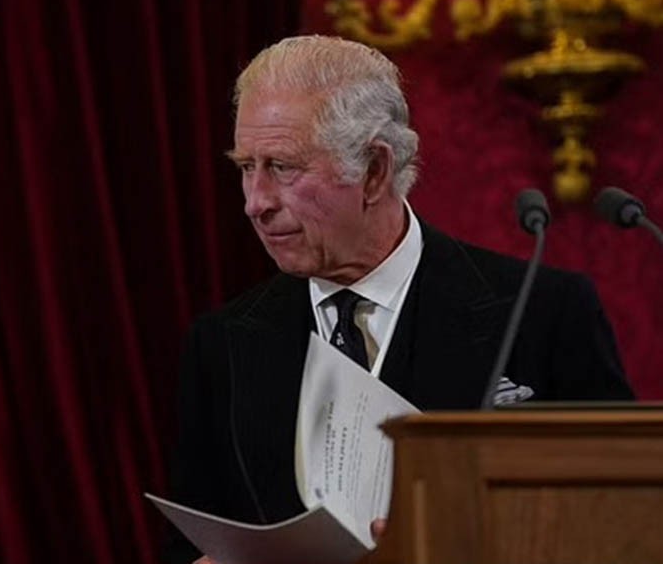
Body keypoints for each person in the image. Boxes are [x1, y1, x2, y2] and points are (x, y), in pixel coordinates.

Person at [163, 35, 633, 564]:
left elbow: (623, 523)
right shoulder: (222, 344)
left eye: (283, 167)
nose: (256, 202)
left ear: (374, 171)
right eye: (247, 167)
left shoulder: (543, 314)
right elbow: (189, 542)